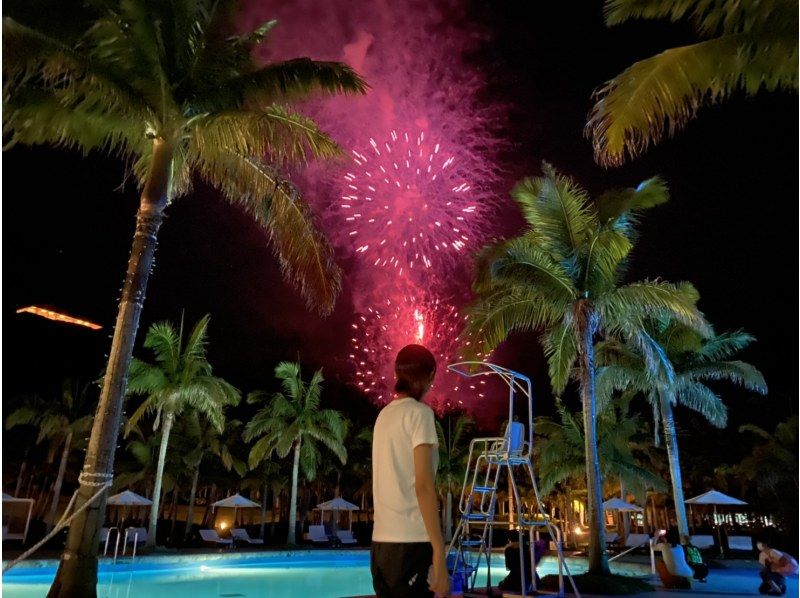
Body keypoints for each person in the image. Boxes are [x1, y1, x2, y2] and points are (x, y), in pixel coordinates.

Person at [371, 344, 450, 597]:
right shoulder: (420, 415)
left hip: (381, 544)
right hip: (412, 542)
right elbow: (424, 486)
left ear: (397, 374)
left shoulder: (383, 416)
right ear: (430, 377)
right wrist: (439, 551)